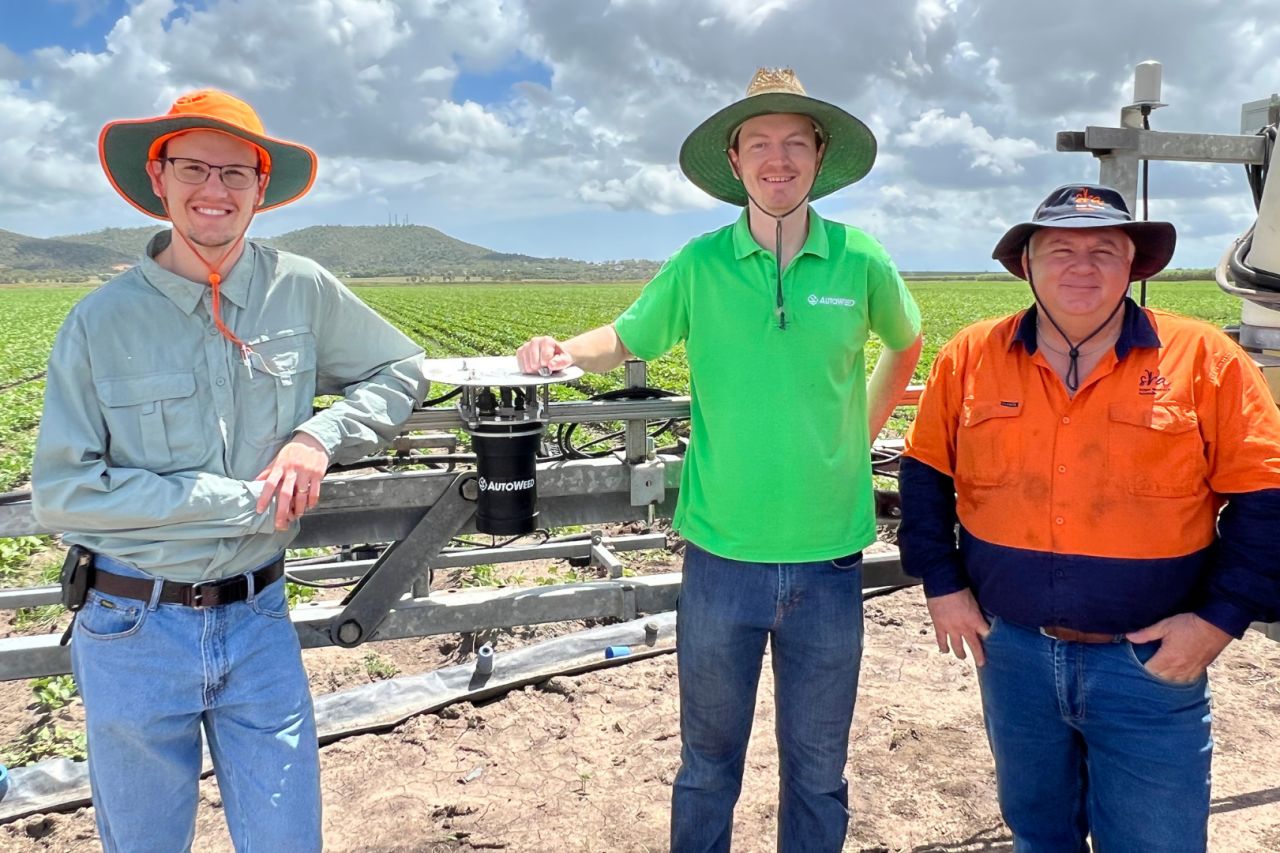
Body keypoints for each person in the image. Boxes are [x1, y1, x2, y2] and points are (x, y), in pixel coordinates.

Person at [517, 68, 922, 852]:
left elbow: (905, 341)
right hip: (719, 557)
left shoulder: (859, 258)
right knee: (707, 765)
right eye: (760, 144)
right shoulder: (700, 264)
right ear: (735, 162)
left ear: (818, 155)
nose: (778, 159)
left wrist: (863, 429)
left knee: (819, 769)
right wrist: (560, 350)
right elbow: (626, 337)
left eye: (794, 143)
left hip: (830, 561)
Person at [31, 89, 427, 852]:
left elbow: (400, 365)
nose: (214, 191)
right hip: (132, 628)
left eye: (235, 173)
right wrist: (243, 502)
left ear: (259, 187)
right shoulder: (99, 322)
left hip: (258, 620)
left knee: (287, 839)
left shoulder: (299, 287)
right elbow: (64, 491)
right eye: (193, 168)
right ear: (159, 177)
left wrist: (320, 434)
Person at [899, 183, 1280, 852]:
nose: (1082, 266)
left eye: (1105, 248)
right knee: (1039, 834)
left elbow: (1267, 498)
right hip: (1011, 653)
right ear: (1027, 265)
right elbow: (926, 475)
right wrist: (941, 581)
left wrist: (1219, 619)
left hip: (1151, 662)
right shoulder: (970, 357)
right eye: (1060, 250)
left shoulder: (1206, 361)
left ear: (1135, 264)